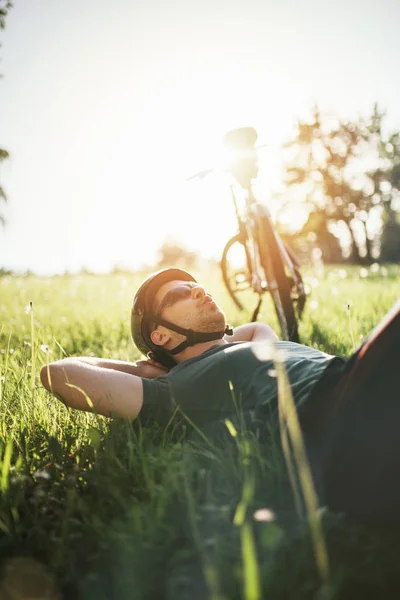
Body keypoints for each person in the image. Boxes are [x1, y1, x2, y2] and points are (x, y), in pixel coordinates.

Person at [40, 268, 400, 523]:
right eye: (181, 293)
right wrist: (146, 369)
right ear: (160, 336)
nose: (200, 290)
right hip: (342, 409)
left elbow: (258, 327)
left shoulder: (252, 346)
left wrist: (219, 341)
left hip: (358, 388)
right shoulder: (180, 386)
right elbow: (58, 374)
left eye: (197, 285)